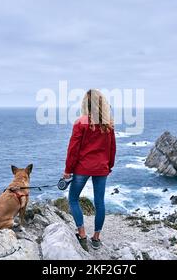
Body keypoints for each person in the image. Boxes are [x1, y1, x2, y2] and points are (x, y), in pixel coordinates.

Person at [63, 89, 116, 251]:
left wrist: (67, 170)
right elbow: (112, 148)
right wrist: (110, 166)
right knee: (99, 202)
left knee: (73, 199)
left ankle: (82, 234)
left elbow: (73, 149)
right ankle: (96, 238)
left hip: (82, 168)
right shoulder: (108, 124)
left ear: (86, 104)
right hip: (101, 168)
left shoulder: (80, 123)